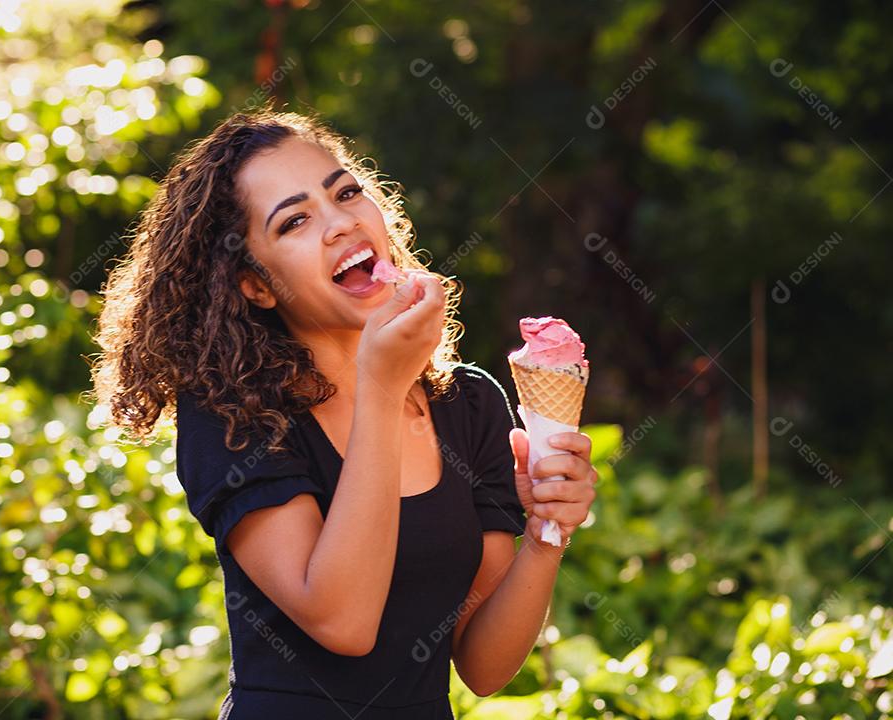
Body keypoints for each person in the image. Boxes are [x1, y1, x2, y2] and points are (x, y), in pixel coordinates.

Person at [89, 104, 598, 719]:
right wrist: (380, 390)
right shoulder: (235, 415)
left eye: (347, 193)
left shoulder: (469, 405)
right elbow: (342, 620)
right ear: (256, 284)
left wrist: (547, 538)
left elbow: (484, 668)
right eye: (295, 221)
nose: (338, 224)